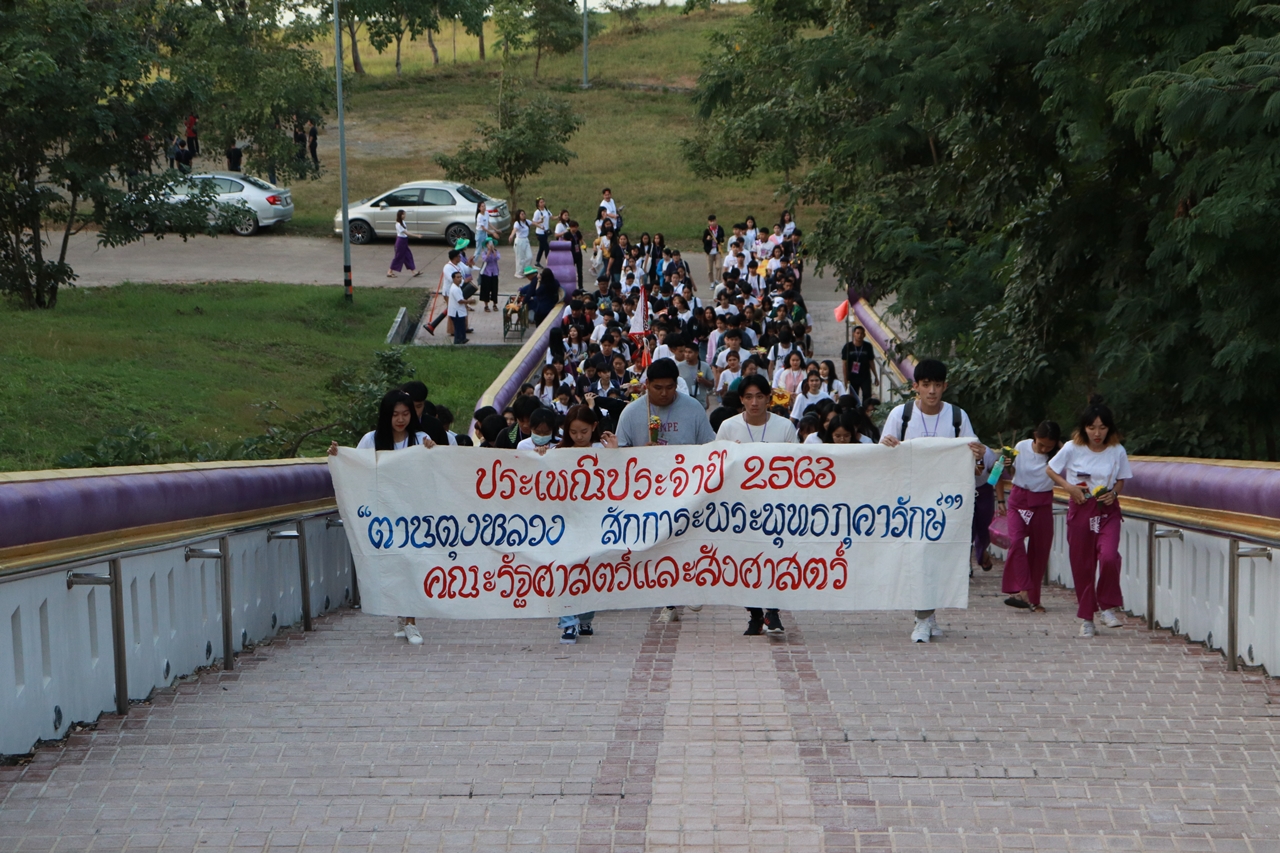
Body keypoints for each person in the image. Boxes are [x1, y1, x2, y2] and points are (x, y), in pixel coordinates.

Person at [879, 359, 986, 644]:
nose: (932, 391)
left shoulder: (957, 417)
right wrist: (886, 447)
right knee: (918, 556)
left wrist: (979, 455)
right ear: (915, 386)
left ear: (945, 386)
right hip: (910, 499)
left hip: (946, 501)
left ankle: (928, 615)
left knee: (936, 558)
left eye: (937, 385)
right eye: (926, 385)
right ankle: (922, 618)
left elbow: (975, 464)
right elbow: (882, 456)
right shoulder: (900, 416)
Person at [328, 389, 434, 645]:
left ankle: (411, 621)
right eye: (395, 414)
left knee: (413, 563)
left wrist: (433, 450)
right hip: (383, 515)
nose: (400, 419)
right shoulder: (371, 440)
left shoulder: (421, 439)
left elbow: (434, 470)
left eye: (406, 414)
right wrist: (338, 455)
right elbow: (355, 466)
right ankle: (401, 615)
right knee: (393, 564)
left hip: (413, 515)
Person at [615, 358, 715, 624]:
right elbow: (617, 456)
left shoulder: (693, 409)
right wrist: (640, 455)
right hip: (648, 495)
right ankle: (668, 600)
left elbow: (710, 447)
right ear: (646, 385)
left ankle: (692, 587)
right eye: (657, 387)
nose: (663, 393)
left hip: (687, 491)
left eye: (670, 387)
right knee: (659, 547)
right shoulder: (631, 413)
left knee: (687, 542)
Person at [713, 374, 797, 635]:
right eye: (749, 397)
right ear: (741, 400)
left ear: (769, 399)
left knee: (774, 558)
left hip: (775, 505)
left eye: (760, 396)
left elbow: (796, 465)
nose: (754, 402)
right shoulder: (728, 427)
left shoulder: (784, 428)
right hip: (741, 507)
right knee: (746, 560)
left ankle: (773, 612)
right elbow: (715, 466)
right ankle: (755, 614)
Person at [1046, 397, 1133, 639]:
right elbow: (1051, 468)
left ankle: (1107, 606)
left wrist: (1114, 493)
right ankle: (1087, 618)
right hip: (1081, 508)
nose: (1097, 433)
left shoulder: (1117, 450)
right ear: (1083, 428)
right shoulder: (1073, 448)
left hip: (1107, 510)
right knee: (1082, 564)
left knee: (1108, 556)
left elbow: (1122, 479)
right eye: (1092, 427)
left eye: (1102, 428)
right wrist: (1069, 488)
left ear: (1110, 429)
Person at [552, 405, 619, 643]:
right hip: (566, 524)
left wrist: (613, 454)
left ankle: (585, 618)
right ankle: (568, 622)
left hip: (595, 524)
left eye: (583, 431)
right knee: (566, 570)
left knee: (590, 571)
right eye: (573, 432)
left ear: (594, 427)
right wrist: (539, 456)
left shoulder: (603, 451)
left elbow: (618, 481)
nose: (578, 437)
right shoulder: (556, 454)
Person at [1002, 421, 1062, 614]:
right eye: (1041, 444)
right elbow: (1011, 472)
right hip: (1019, 500)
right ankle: (1023, 590)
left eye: (1049, 447)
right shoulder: (1021, 447)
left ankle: (1033, 599)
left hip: (1042, 502)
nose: (1044, 449)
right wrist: (1007, 464)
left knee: (1039, 550)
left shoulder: (1059, 455)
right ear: (1035, 436)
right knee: (1016, 541)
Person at [841, 325, 877, 404]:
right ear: (854, 334)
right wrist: (845, 379)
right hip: (852, 376)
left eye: (861, 333)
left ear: (864, 335)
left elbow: (871, 361)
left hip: (865, 376)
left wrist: (876, 376)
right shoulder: (847, 347)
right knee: (853, 397)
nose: (859, 335)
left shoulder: (868, 346)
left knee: (867, 396)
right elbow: (844, 364)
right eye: (857, 333)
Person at [386, 211, 421, 278]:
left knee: (408, 256)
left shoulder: (403, 222)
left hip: (404, 241)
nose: (404, 216)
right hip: (400, 242)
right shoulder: (398, 224)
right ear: (400, 215)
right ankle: (389, 271)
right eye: (403, 214)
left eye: (404, 214)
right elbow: (406, 233)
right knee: (398, 257)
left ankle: (414, 272)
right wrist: (417, 236)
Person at [446, 270, 474, 344]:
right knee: (458, 328)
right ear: (453, 279)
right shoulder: (455, 289)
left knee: (462, 326)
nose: (460, 279)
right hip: (456, 312)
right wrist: (469, 301)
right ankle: (458, 341)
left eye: (460, 277)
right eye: (457, 277)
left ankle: (463, 339)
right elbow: (460, 301)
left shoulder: (457, 287)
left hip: (459, 312)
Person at [509, 209, 533, 279]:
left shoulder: (526, 222)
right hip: (519, 241)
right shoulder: (517, 223)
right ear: (518, 215)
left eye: (524, 214)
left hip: (526, 240)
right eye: (521, 214)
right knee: (520, 258)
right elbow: (515, 230)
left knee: (529, 256)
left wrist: (540, 225)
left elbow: (534, 223)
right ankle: (518, 272)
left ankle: (526, 270)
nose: (523, 215)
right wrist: (511, 236)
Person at [478, 239, 500, 312]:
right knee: (486, 290)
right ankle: (486, 305)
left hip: (494, 273)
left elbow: (497, 258)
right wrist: (489, 252)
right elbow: (485, 259)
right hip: (486, 273)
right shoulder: (484, 252)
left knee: (494, 289)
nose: (490, 245)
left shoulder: (496, 251)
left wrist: (493, 251)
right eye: (489, 244)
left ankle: (495, 304)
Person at [702, 214, 724, 286]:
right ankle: (712, 282)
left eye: (713, 221)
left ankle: (717, 280)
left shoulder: (720, 229)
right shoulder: (707, 230)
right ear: (708, 222)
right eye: (711, 221)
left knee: (719, 266)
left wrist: (719, 240)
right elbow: (703, 240)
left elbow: (722, 238)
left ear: (716, 220)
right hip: (710, 251)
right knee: (709, 269)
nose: (712, 223)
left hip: (717, 251)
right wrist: (707, 240)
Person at [532, 198, 552, 266]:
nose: (542, 203)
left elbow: (551, 217)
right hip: (539, 233)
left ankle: (537, 261)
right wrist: (539, 222)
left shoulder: (546, 210)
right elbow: (533, 222)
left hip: (546, 232)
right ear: (538, 204)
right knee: (546, 247)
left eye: (543, 201)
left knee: (541, 247)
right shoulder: (537, 212)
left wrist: (559, 216)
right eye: (541, 202)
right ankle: (548, 262)